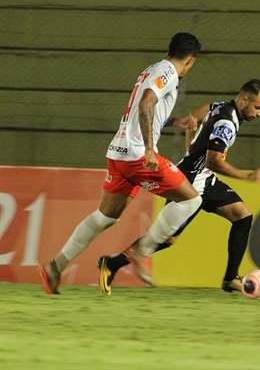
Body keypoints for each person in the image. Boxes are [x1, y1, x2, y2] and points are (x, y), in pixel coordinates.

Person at [38, 32, 203, 294]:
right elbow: (146, 102)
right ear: (191, 60)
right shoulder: (169, 72)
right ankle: (143, 251)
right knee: (192, 200)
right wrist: (149, 149)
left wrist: (175, 122)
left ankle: (55, 266)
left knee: (105, 217)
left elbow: (148, 106)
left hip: (118, 153)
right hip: (138, 154)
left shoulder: (152, 69)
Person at [98, 79, 260, 295]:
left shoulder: (219, 106)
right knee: (168, 239)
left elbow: (193, 118)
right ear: (244, 99)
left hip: (206, 179)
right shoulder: (227, 122)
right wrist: (247, 176)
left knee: (243, 217)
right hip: (191, 182)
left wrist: (191, 146)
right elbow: (213, 161)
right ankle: (112, 263)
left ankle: (230, 278)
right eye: (258, 108)